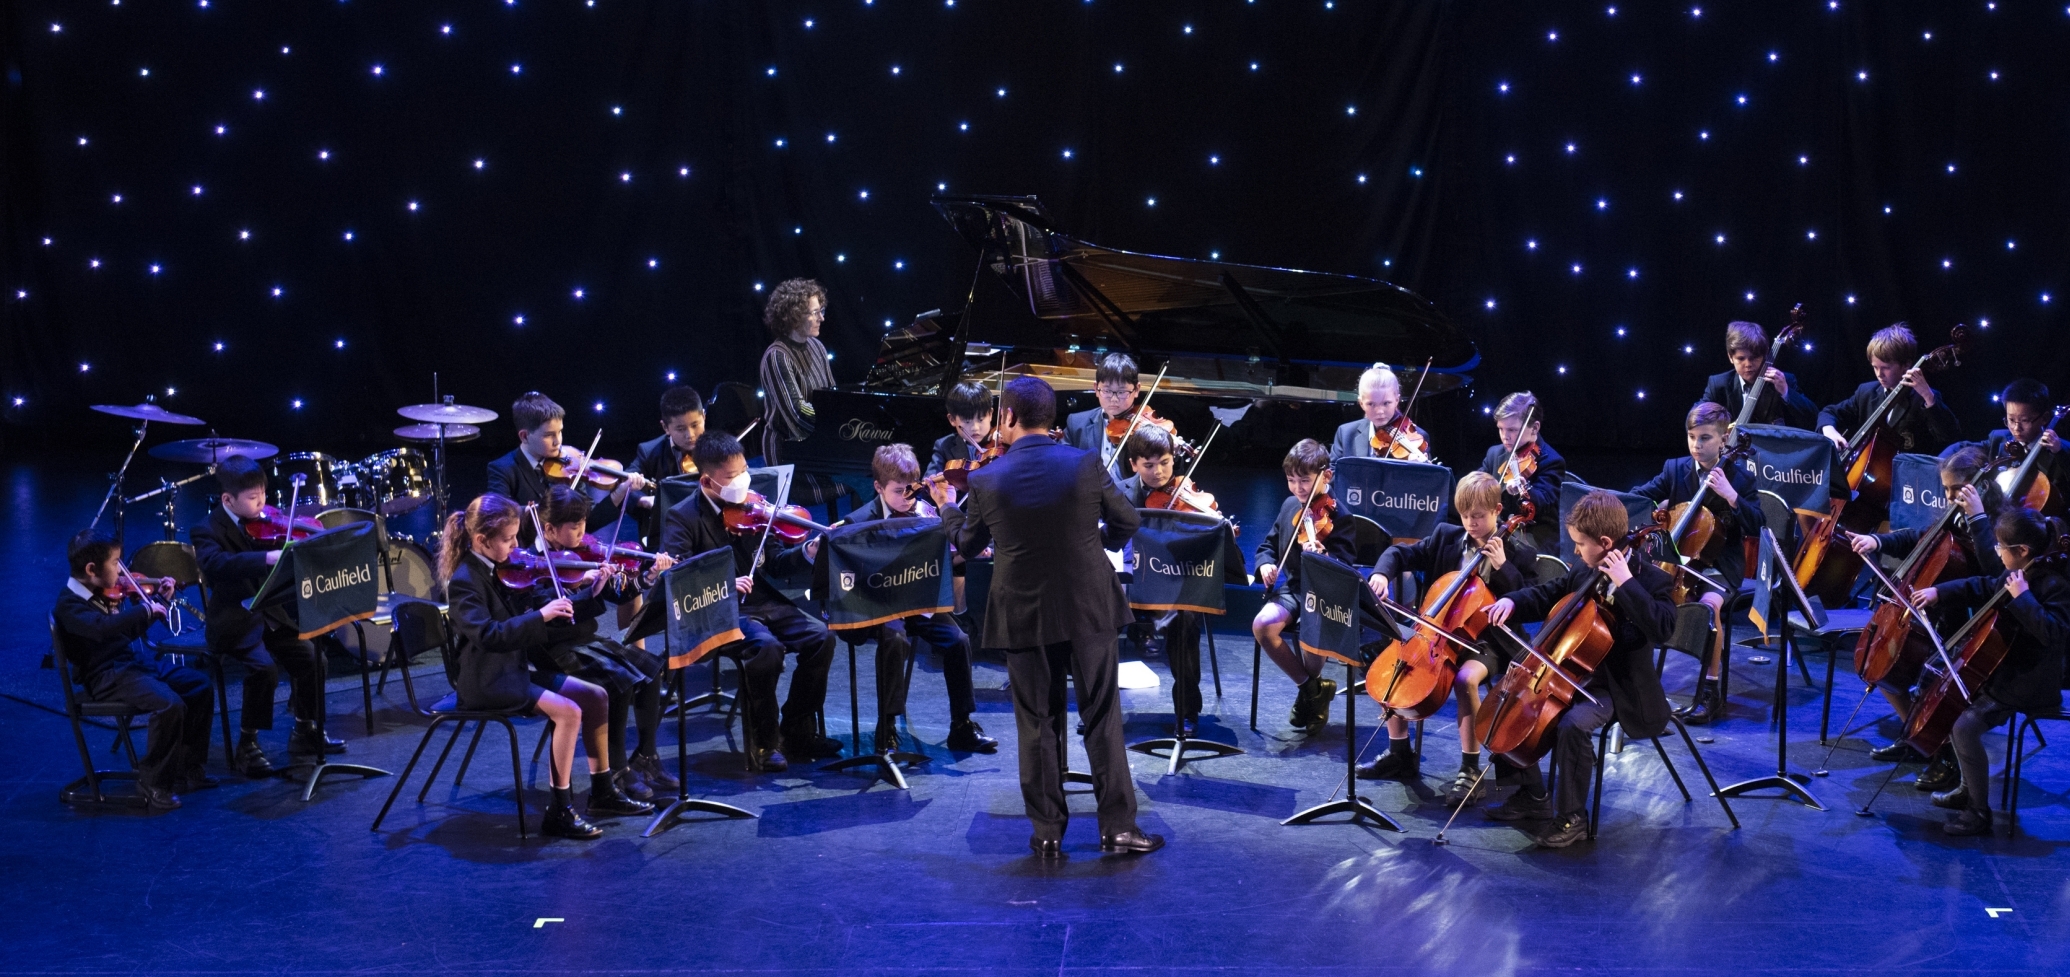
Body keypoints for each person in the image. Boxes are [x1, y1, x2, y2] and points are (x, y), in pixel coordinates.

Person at [928, 375, 1163, 857]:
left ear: (1008, 417)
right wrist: (1094, 547)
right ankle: (1117, 829)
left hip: (1022, 610)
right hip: (1088, 604)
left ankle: (1047, 832)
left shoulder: (987, 478)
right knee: (1101, 715)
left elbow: (968, 546)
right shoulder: (1084, 463)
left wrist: (947, 508)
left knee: (1036, 720)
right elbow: (1128, 521)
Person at [1479, 490, 1680, 849]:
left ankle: (1572, 818)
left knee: (1572, 725)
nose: (1575, 551)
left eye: (1580, 543)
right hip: (1573, 674)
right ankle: (1532, 794)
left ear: (1605, 543)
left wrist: (1626, 582)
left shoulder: (1651, 580)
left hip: (1617, 687)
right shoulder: (1585, 568)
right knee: (1513, 702)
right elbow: (1549, 593)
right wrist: (1512, 600)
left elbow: (1663, 627)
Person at [438, 494, 633, 839]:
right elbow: (488, 636)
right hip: (486, 679)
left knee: (596, 695)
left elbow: (537, 604)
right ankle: (560, 809)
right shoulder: (466, 580)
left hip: (511, 670)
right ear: (482, 540)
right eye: (509, 539)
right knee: (569, 712)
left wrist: (589, 593)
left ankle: (602, 790)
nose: (516, 547)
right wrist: (539, 615)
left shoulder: (502, 569)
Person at [661, 432, 840, 772]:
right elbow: (681, 578)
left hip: (764, 602)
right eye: (731, 477)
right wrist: (726, 584)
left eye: (744, 470)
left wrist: (806, 551)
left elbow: (775, 563)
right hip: (722, 610)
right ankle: (765, 740)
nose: (742, 480)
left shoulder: (754, 506)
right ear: (707, 481)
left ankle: (798, 729)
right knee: (767, 649)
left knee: (822, 638)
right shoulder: (682, 517)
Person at [1357, 472, 1528, 806]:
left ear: (1496, 510)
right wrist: (1380, 573)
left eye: (1478, 516)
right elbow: (1399, 554)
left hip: (1486, 641)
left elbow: (1528, 600)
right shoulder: (1446, 537)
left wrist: (1504, 567)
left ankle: (1470, 768)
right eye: (1465, 516)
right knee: (1392, 662)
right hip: (1436, 632)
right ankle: (1400, 754)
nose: (1471, 523)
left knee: (1466, 679)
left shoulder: (1517, 551)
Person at [1907, 507, 2070, 836]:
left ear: (2021, 551)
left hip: (2029, 681)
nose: (1996, 552)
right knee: (1949, 696)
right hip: (2005, 671)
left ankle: (1978, 812)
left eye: (2000, 547)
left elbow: (2054, 634)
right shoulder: (2018, 571)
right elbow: (1983, 585)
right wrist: (1941, 592)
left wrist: (2023, 599)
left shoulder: (2054, 584)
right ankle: (1969, 787)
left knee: (1964, 726)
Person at [1848, 444, 2003, 791]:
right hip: (1938, 613)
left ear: (1982, 486)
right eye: (1945, 490)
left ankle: (1945, 755)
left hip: (1974, 622)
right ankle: (1917, 738)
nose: (1949, 498)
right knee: (1883, 666)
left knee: (1933, 675)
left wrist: (1977, 518)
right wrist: (1877, 541)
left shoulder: (1996, 523)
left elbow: (1994, 575)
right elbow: (1921, 537)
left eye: (1955, 490)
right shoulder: (1955, 514)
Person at [836, 444, 997, 754]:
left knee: (958, 639)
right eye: (899, 492)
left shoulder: (925, 513)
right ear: (878, 488)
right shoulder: (858, 522)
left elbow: (943, 562)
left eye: (913, 489)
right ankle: (888, 727)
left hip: (917, 602)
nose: (908, 498)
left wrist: (966, 552)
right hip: (876, 606)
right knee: (894, 639)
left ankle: (961, 726)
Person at [191, 454, 334, 777]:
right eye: (253, 498)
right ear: (228, 499)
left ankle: (303, 729)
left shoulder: (267, 522)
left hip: (271, 614)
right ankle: (247, 743)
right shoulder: (205, 529)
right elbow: (216, 565)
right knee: (263, 669)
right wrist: (266, 557)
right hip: (234, 620)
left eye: (264, 495)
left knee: (315, 660)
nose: (262, 504)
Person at [532, 486, 677, 800]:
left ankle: (647, 755)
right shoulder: (533, 566)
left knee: (651, 671)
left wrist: (647, 577)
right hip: (557, 650)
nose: (583, 533)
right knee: (619, 682)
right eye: (574, 527)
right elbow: (558, 619)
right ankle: (617, 769)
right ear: (549, 529)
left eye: (584, 523)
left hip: (585, 641)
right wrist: (590, 590)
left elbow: (619, 593)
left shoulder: (583, 555)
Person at [54, 530, 215, 810]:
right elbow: (102, 630)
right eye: (116, 563)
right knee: (169, 705)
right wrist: (144, 610)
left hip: (130, 666)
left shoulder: (102, 592)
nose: (121, 570)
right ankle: (152, 782)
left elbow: (123, 634)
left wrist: (160, 603)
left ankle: (187, 768)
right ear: (92, 570)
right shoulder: (69, 605)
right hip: (105, 676)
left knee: (199, 686)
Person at [1630, 401, 1764, 725]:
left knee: (1708, 607)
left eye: (1704, 438)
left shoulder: (1740, 477)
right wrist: (1651, 510)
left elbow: (1759, 523)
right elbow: (1640, 495)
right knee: (1637, 599)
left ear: (1723, 439)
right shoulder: (1675, 469)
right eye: (1692, 437)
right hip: (1678, 560)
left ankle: (1710, 691)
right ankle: (1637, 684)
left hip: (1720, 565)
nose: (1696, 445)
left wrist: (1732, 496)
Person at [1251, 439, 1361, 734]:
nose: (1299, 489)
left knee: (1311, 646)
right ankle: (1312, 690)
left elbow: (1346, 570)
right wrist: (1265, 564)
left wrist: (1324, 557)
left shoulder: (1341, 518)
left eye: (1305, 481)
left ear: (1326, 476)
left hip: (1324, 596)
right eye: (1291, 481)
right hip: (1294, 588)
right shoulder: (1290, 506)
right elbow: (1268, 545)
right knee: (1262, 625)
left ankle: (1309, 697)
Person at [1117, 425, 1215, 739]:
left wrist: (1212, 527)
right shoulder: (1118, 494)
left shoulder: (1187, 495)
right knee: (1094, 620)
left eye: (1166, 463)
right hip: (1131, 586)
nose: (1159, 472)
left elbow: (1209, 548)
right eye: (1149, 465)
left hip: (1174, 588)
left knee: (1184, 621)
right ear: (1133, 464)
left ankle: (1187, 710)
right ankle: (1099, 707)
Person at [485, 391, 644, 537]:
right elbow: (499, 515)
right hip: (528, 557)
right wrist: (541, 510)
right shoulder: (503, 469)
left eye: (560, 432)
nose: (558, 441)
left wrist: (620, 492)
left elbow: (590, 521)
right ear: (524, 436)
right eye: (549, 435)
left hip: (569, 555)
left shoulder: (570, 466)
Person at [1816, 323, 1962, 459]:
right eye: (1875, 367)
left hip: (1909, 478)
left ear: (1906, 365)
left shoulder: (1924, 398)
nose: (1879, 374)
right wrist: (1829, 431)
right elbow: (1829, 412)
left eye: (1885, 367)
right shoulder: (1866, 392)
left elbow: (1950, 437)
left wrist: (1928, 397)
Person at [1478, 391, 1564, 568]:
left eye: (1512, 430)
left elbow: (1544, 502)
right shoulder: (1495, 453)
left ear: (1535, 428)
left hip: (1531, 536)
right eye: (1500, 429)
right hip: (1497, 531)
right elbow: (1476, 487)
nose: (1505, 436)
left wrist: (1525, 490)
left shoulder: (1551, 461)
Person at [757, 278, 836, 466]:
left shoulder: (817, 346)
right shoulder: (777, 356)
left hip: (816, 439)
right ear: (795, 316)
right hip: (789, 449)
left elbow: (831, 394)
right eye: (815, 313)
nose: (822, 318)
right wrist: (833, 424)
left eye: (821, 311)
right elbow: (797, 414)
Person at [627, 384, 708, 548]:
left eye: (695, 425)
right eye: (680, 428)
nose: (690, 435)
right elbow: (625, 488)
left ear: (704, 417)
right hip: (669, 534)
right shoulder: (649, 452)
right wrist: (645, 500)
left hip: (709, 529)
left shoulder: (717, 448)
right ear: (665, 427)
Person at [1968, 379, 2067, 512]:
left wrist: (2059, 453)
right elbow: (1965, 448)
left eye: (2024, 420)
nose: (2016, 428)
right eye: (2011, 420)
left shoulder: (2061, 449)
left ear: (2044, 418)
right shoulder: (1998, 439)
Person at [1701, 320, 1818, 431]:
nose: (1748, 364)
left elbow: (1813, 417)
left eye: (1754, 358)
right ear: (1730, 357)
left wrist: (1786, 392)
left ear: (1765, 354)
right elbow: (1697, 419)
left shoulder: (1785, 380)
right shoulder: (1719, 384)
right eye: (1741, 358)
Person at [1063, 352, 1142, 479]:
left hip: (1129, 497)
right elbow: (1062, 464)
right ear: (1096, 388)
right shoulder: (1076, 423)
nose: (1114, 399)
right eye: (1107, 391)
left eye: (1122, 392)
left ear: (1137, 390)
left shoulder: (1146, 429)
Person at [1332, 364, 1431, 462]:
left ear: (1397, 400)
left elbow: (1428, 477)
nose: (1379, 411)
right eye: (1371, 404)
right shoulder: (1346, 434)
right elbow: (1332, 474)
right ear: (1361, 403)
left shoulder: (1418, 437)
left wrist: (1415, 470)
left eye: (1386, 403)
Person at [927, 380, 996, 478]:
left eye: (980, 419)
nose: (975, 428)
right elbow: (929, 480)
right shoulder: (944, 446)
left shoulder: (1002, 443)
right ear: (952, 419)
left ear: (990, 414)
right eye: (967, 421)